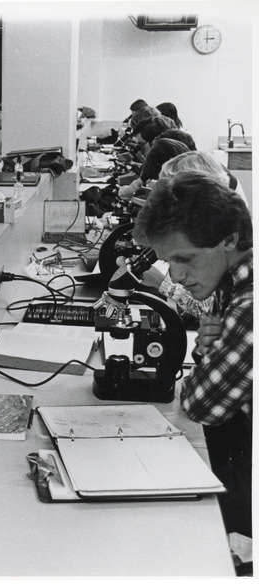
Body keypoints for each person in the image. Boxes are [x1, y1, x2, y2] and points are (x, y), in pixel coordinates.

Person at [133, 170, 253, 539]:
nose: (177, 275)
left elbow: (201, 405)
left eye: (185, 258)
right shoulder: (230, 280)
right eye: (169, 261)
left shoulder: (250, 306)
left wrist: (208, 352)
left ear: (229, 239)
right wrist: (211, 351)